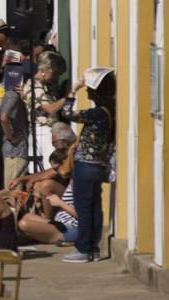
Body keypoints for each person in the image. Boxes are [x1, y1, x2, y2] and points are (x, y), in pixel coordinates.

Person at [56, 72, 115, 263]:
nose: (88, 92)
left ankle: (83, 249)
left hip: (86, 166)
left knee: (83, 208)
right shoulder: (110, 112)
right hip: (98, 165)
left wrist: (73, 90)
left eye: (90, 89)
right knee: (95, 208)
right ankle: (93, 248)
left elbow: (66, 114)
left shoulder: (96, 113)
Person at [0, 70, 31, 186]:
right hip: (16, 151)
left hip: (15, 150)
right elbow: (4, 118)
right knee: (13, 191)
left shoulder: (10, 94)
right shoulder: (13, 95)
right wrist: (11, 136)